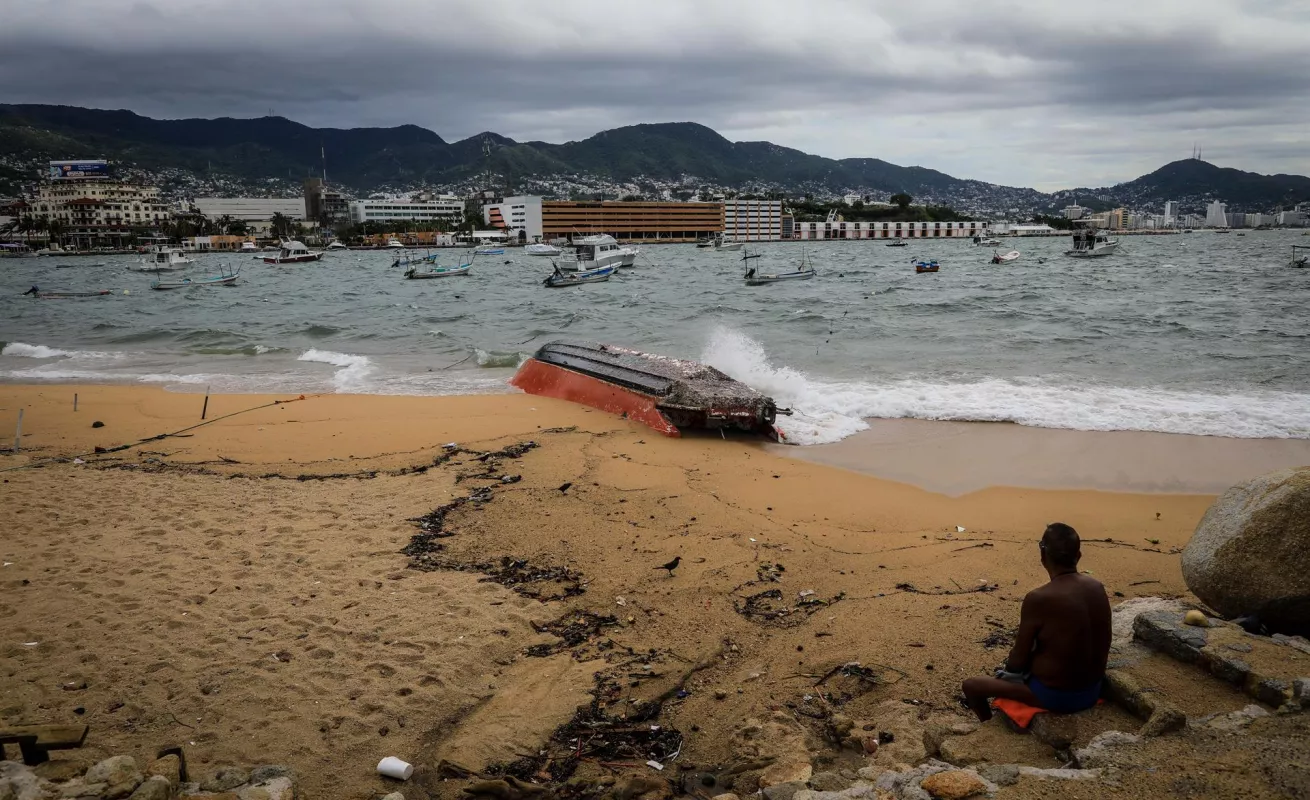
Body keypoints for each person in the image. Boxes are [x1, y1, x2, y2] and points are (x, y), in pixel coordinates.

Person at [961, 523, 1111, 721]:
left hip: (1059, 697)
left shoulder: (1039, 598)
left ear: (1043, 556)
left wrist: (1011, 674)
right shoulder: (1096, 587)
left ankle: (988, 726)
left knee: (971, 685)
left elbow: (1017, 660)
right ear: (1079, 556)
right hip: (1094, 688)